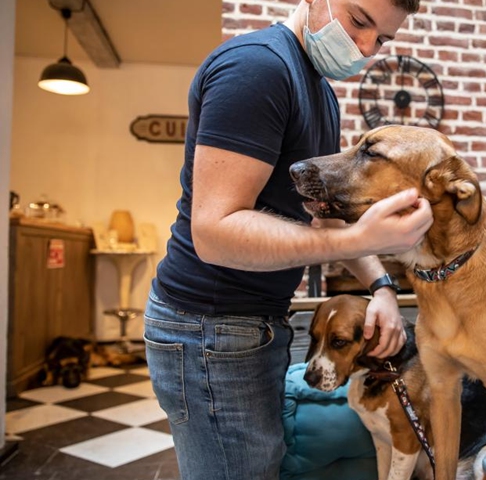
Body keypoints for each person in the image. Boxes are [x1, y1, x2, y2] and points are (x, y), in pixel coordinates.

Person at [143, 0, 430, 478]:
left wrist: (381, 286)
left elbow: (322, 220)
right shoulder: (256, 69)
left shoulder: (321, 92)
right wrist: (359, 238)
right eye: (359, 20)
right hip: (210, 327)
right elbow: (215, 232)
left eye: (382, 40)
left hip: (252, 325)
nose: (364, 46)